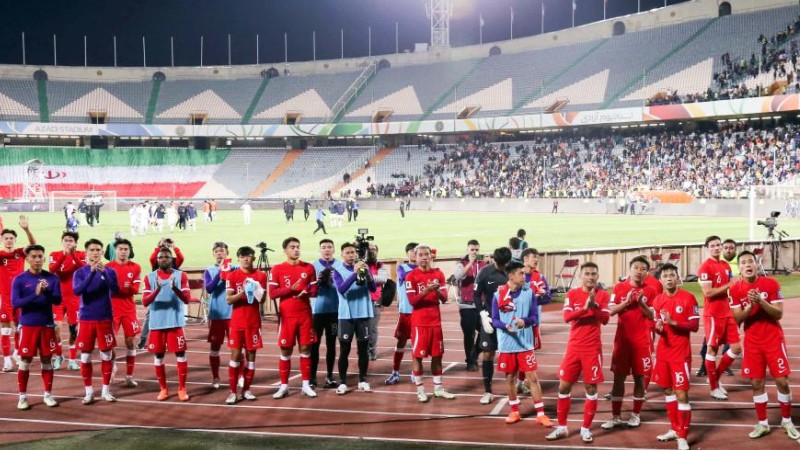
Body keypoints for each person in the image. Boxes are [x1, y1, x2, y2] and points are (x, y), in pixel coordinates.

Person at [730, 251, 800, 440]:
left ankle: (787, 421)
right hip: (752, 343)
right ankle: (763, 423)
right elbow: (737, 319)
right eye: (743, 262)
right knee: (756, 383)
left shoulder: (771, 284)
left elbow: (778, 314)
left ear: (756, 264)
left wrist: (761, 301)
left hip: (774, 340)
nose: (747, 264)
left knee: (782, 381)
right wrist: (750, 306)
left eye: (750, 261)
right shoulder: (735, 290)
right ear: (740, 268)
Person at [546, 262, 610, 444]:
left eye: (593, 274)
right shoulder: (572, 294)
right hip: (574, 348)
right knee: (563, 387)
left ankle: (585, 429)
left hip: (592, 349)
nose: (590, 277)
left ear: (597, 276)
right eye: (587, 273)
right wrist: (585, 308)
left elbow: (605, 319)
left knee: (591, 389)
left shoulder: (603, 295)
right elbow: (567, 317)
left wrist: (594, 307)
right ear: (581, 276)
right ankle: (562, 427)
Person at [492, 261, 552, 426]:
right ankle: (514, 411)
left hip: (525, 344)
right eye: (520, 273)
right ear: (511, 276)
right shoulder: (498, 295)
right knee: (510, 378)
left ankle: (541, 414)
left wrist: (524, 322)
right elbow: (495, 320)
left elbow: (534, 317)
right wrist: (505, 326)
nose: (524, 276)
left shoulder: (529, 293)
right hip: (507, 345)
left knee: (532, 377)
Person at [602, 256, 656, 430]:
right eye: (636, 268)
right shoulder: (619, 287)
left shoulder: (651, 290)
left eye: (643, 269)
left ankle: (635, 415)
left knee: (640, 379)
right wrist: (626, 302)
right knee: (618, 379)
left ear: (647, 272)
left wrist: (640, 303)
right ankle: (616, 417)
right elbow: (611, 311)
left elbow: (652, 316)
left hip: (642, 342)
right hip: (623, 342)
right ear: (630, 269)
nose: (639, 271)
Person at [652, 263, 699, 450]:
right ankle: (674, 428)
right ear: (660, 280)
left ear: (678, 278)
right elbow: (657, 325)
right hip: (663, 354)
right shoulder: (658, 300)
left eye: (672, 275)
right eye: (665, 276)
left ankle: (682, 436)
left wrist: (674, 322)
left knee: (681, 394)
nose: (669, 278)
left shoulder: (688, 298)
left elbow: (694, 326)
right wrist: (658, 328)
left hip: (680, 355)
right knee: (668, 391)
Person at [11, 244, 62, 410]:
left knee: (47, 360)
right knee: (25, 361)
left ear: (44, 258)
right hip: (28, 326)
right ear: (27, 259)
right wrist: (35, 293)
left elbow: (58, 301)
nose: (37, 259)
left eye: (40, 256)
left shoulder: (52, 278)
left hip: (46, 325)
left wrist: (46, 292)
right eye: (33, 257)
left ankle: (47, 395)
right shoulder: (19, 280)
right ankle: (22, 397)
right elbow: (15, 303)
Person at [268, 237, 318, 399]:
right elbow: (272, 294)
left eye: (298, 247)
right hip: (287, 316)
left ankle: (306, 385)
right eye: (292, 247)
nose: (296, 249)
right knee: (286, 350)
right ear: (285, 250)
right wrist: (291, 289)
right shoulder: (277, 269)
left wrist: (306, 292)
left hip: (305, 315)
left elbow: (314, 291)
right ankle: (284, 386)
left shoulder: (309, 267)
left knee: (306, 350)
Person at [73, 238, 120, 404]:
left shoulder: (110, 271)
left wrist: (104, 273)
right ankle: (89, 392)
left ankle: (106, 391)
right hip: (86, 319)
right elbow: (77, 291)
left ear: (102, 252)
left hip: (104, 318)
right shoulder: (80, 273)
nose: (95, 253)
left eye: (98, 250)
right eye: (92, 250)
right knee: (85, 357)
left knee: (106, 355)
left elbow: (116, 290)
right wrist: (92, 273)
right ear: (86, 253)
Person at [141, 247, 191, 402]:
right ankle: (163, 388)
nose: (163, 259)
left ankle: (182, 388)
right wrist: (157, 289)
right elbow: (145, 302)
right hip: (157, 324)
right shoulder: (149, 277)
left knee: (181, 355)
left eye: (167, 257)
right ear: (157, 260)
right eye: (161, 257)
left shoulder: (181, 275)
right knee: (158, 356)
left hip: (175, 323)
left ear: (172, 259)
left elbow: (187, 299)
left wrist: (175, 287)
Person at [406, 244, 454, 402]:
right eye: (420, 255)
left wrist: (437, 290)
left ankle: (438, 389)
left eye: (426, 254)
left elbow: (444, 299)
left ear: (431, 256)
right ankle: (420, 390)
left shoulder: (438, 274)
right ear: (415, 257)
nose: (424, 257)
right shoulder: (411, 276)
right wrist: (426, 290)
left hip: (435, 322)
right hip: (419, 323)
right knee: (417, 357)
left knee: (437, 356)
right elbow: (412, 301)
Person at [697, 235, 740, 400]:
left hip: (727, 312)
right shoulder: (705, 267)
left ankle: (714, 378)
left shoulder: (725, 265)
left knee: (736, 348)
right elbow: (708, 293)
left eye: (718, 245)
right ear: (707, 248)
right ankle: (714, 388)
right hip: (713, 314)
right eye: (712, 246)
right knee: (712, 350)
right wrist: (729, 284)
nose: (716, 248)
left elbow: (732, 287)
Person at [224, 246, 268, 405]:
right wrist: (243, 292)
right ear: (238, 259)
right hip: (237, 323)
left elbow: (262, 300)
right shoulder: (232, 275)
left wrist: (255, 289)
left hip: (253, 323)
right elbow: (229, 300)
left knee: (251, 357)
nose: (245, 259)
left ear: (253, 258)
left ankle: (246, 390)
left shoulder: (260, 276)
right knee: (235, 356)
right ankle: (232, 392)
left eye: (248, 256)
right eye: (242, 257)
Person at [332, 242, 375, 394]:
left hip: (363, 314)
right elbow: (342, 289)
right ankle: (343, 382)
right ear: (342, 255)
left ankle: (362, 380)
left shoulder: (363, 267)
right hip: (346, 316)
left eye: (352, 252)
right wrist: (354, 273)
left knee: (363, 350)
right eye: (347, 252)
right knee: (344, 350)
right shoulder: (337, 271)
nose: (351, 255)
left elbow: (373, 289)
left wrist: (368, 275)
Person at [473, 247, 512, 405]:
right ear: (494, 260)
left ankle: (514, 388)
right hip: (489, 318)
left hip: (509, 319)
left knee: (511, 354)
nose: (502, 268)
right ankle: (488, 391)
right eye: (499, 265)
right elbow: (476, 296)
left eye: (505, 265)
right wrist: (483, 314)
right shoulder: (484, 273)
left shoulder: (513, 272)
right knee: (488, 354)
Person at [0, 216, 35, 372]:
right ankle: (7, 360)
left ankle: (17, 352)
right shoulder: (0, 255)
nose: (9, 241)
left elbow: (33, 245)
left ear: (15, 240)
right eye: (6, 238)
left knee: (20, 326)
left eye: (11, 238)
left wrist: (26, 229)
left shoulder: (20, 253)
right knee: (5, 328)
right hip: (5, 297)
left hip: (20, 297)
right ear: (2, 240)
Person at [48, 231, 85, 372]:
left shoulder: (81, 255)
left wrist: (73, 254)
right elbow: (52, 270)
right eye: (66, 240)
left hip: (74, 298)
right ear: (62, 241)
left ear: (75, 243)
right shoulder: (54, 254)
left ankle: (72, 360)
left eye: (71, 240)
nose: (68, 242)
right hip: (57, 297)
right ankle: (59, 356)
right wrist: (64, 255)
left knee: (73, 330)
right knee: (55, 328)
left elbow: (83, 269)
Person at [107, 239, 142, 388]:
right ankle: (112, 366)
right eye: (120, 249)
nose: (123, 251)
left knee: (130, 342)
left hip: (128, 310)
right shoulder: (108, 267)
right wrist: (122, 288)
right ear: (115, 250)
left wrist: (128, 288)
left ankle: (129, 376)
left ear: (129, 250)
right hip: (112, 310)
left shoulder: (135, 267)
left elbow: (136, 289)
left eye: (126, 249)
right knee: (109, 343)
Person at [385, 242, 418, 385]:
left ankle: (415, 372)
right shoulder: (402, 268)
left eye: (417, 251)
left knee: (417, 344)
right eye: (412, 251)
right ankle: (395, 372)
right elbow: (404, 277)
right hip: (405, 312)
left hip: (419, 312)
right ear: (407, 253)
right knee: (401, 342)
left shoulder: (425, 269)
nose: (415, 254)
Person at [452, 239, 487, 372]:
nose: (474, 252)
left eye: (477, 250)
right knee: (469, 335)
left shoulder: (483, 264)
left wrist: (490, 265)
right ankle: (470, 361)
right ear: (467, 250)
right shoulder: (461, 264)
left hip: (482, 305)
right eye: (472, 249)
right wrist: (470, 263)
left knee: (486, 331)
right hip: (467, 306)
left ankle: (474, 355)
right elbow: (457, 277)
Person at [310, 239, 340, 389]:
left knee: (331, 345)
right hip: (316, 312)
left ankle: (329, 375)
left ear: (333, 249)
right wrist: (317, 282)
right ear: (319, 250)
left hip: (334, 311)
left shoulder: (339, 265)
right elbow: (308, 288)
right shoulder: (312, 266)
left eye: (329, 247)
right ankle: (312, 377)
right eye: (323, 247)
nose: (327, 250)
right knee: (313, 345)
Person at [203, 241, 233, 389]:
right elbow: (209, 289)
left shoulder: (235, 268)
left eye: (222, 251)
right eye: (216, 251)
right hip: (217, 315)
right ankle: (215, 377)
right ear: (213, 254)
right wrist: (220, 274)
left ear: (227, 253)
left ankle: (239, 376)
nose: (219, 253)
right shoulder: (209, 270)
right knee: (215, 347)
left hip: (233, 314)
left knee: (237, 348)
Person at [366, 243, 389, 361]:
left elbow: (383, 279)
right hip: (360, 301)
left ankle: (372, 350)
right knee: (360, 328)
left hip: (375, 300)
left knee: (372, 328)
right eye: (369, 249)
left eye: (374, 249)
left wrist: (366, 276)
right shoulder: (358, 264)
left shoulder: (380, 265)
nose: (371, 251)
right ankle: (363, 349)